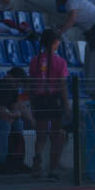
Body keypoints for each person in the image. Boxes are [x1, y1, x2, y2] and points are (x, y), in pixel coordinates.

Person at [28, 29, 69, 180]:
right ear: (55, 42)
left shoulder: (35, 60)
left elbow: (32, 85)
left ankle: (37, 162)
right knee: (56, 135)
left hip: (40, 100)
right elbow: (62, 85)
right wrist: (67, 105)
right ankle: (52, 169)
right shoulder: (60, 62)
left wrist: (32, 103)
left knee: (41, 136)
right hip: (55, 100)